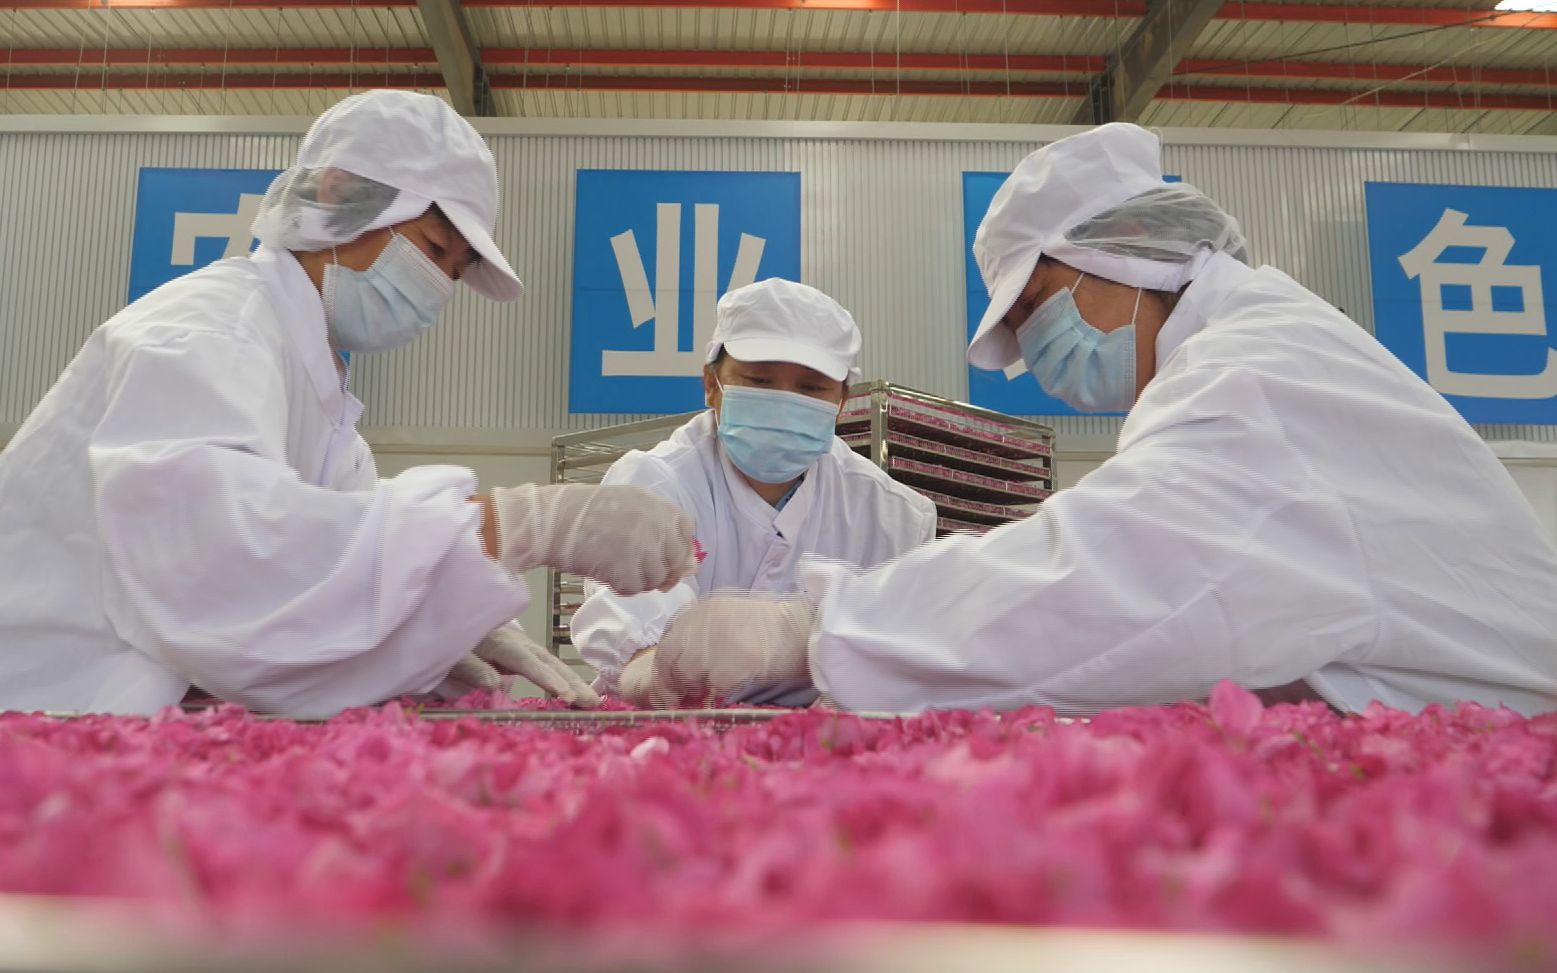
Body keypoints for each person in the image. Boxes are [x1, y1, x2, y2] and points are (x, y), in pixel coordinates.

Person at [632, 122, 1557, 717]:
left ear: (1124, 254)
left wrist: (813, 631)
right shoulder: (1244, 347)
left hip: (1506, 755)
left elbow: (1110, 577)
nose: (1039, 353)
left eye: (1038, 307)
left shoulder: (1252, 376)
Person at [0, 90, 695, 716]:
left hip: (110, 716)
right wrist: (517, 524)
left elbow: (330, 571)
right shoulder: (211, 332)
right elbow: (217, 562)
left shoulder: (322, 399)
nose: (438, 287)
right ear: (339, 194)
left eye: (453, 272)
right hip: (43, 700)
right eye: (433, 249)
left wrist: (438, 623)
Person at [571, 279, 937, 707]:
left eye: (811, 388)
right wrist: (659, 669)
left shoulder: (892, 516)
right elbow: (639, 638)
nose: (783, 402)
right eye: (759, 380)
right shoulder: (653, 484)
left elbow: (903, 660)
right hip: (663, 728)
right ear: (712, 384)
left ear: (841, 402)